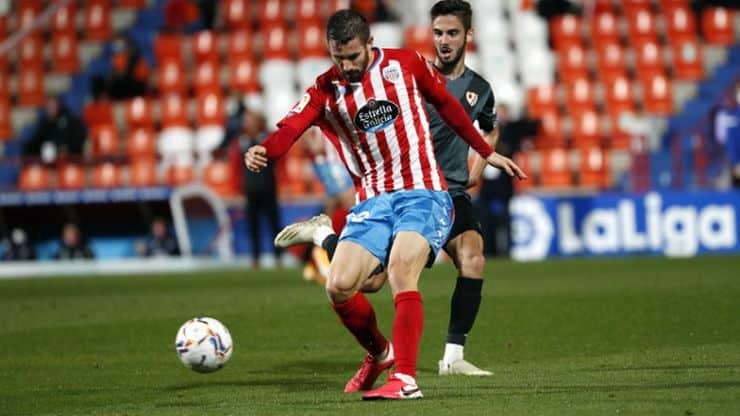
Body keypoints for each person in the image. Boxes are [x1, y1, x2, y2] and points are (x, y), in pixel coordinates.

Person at [244, 9, 525, 400]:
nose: (346, 66)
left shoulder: (406, 64)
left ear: (369, 44)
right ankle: (380, 353)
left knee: (399, 270)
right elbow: (292, 126)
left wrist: (484, 151)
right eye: (338, 57)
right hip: (373, 200)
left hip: (424, 192)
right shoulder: (326, 87)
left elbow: (447, 105)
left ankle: (406, 380)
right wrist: (264, 150)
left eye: (353, 57)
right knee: (339, 286)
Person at [241, 110, 283, 269]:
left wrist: (283, 183)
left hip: (268, 188)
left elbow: (279, 163)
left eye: (251, 120)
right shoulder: (242, 142)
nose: (248, 124)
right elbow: (236, 167)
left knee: (274, 225)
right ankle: (255, 259)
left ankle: (278, 257)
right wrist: (238, 188)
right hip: (250, 190)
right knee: (253, 227)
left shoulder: (267, 140)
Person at [22, 96, 87, 163]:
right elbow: (38, 140)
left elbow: (80, 136)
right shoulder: (44, 123)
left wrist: (66, 148)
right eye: (48, 106)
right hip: (50, 159)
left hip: (70, 157)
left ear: (58, 105)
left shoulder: (70, 119)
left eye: (52, 106)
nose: (50, 109)